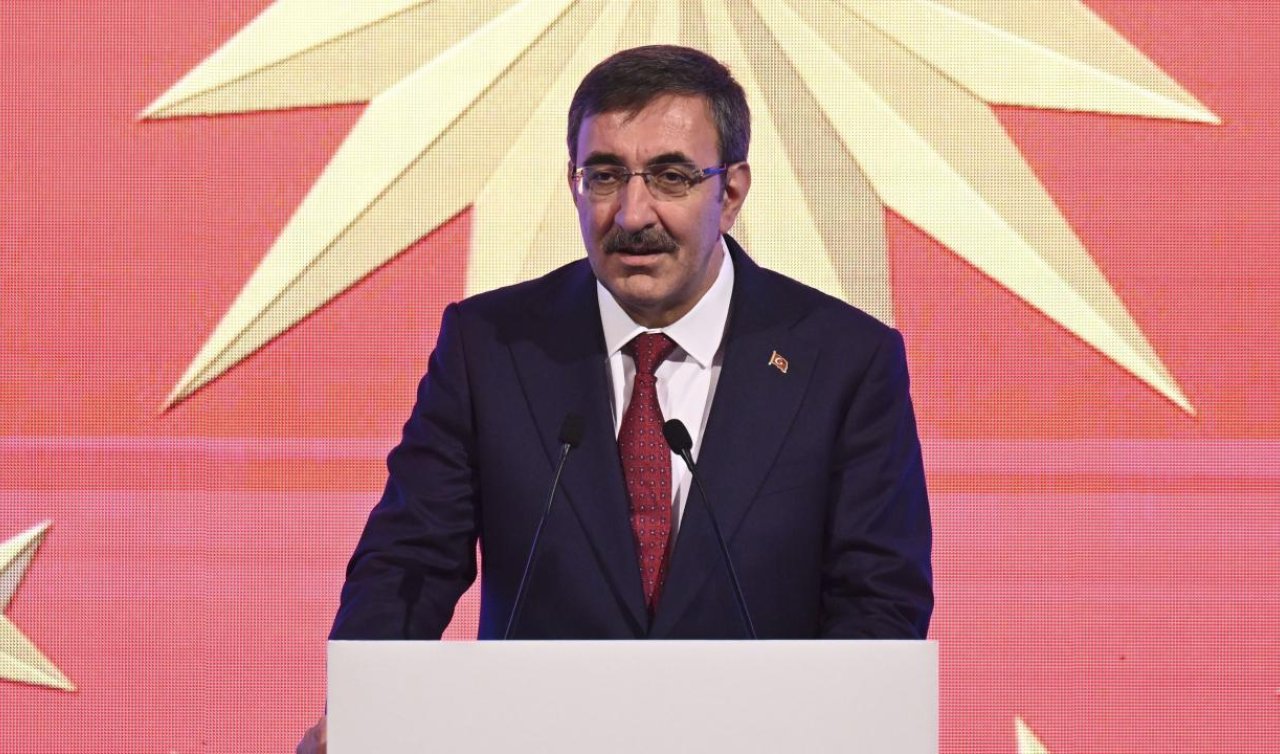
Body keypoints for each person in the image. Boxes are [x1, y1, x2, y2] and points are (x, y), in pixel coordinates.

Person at [297, 44, 931, 753]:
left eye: (671, 177)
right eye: (603, 176)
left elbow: (879, 599)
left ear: (730, 193)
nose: (632, 214)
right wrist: (367, 705)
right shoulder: (492, 348)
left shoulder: (844, 361)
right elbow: (409, 562)